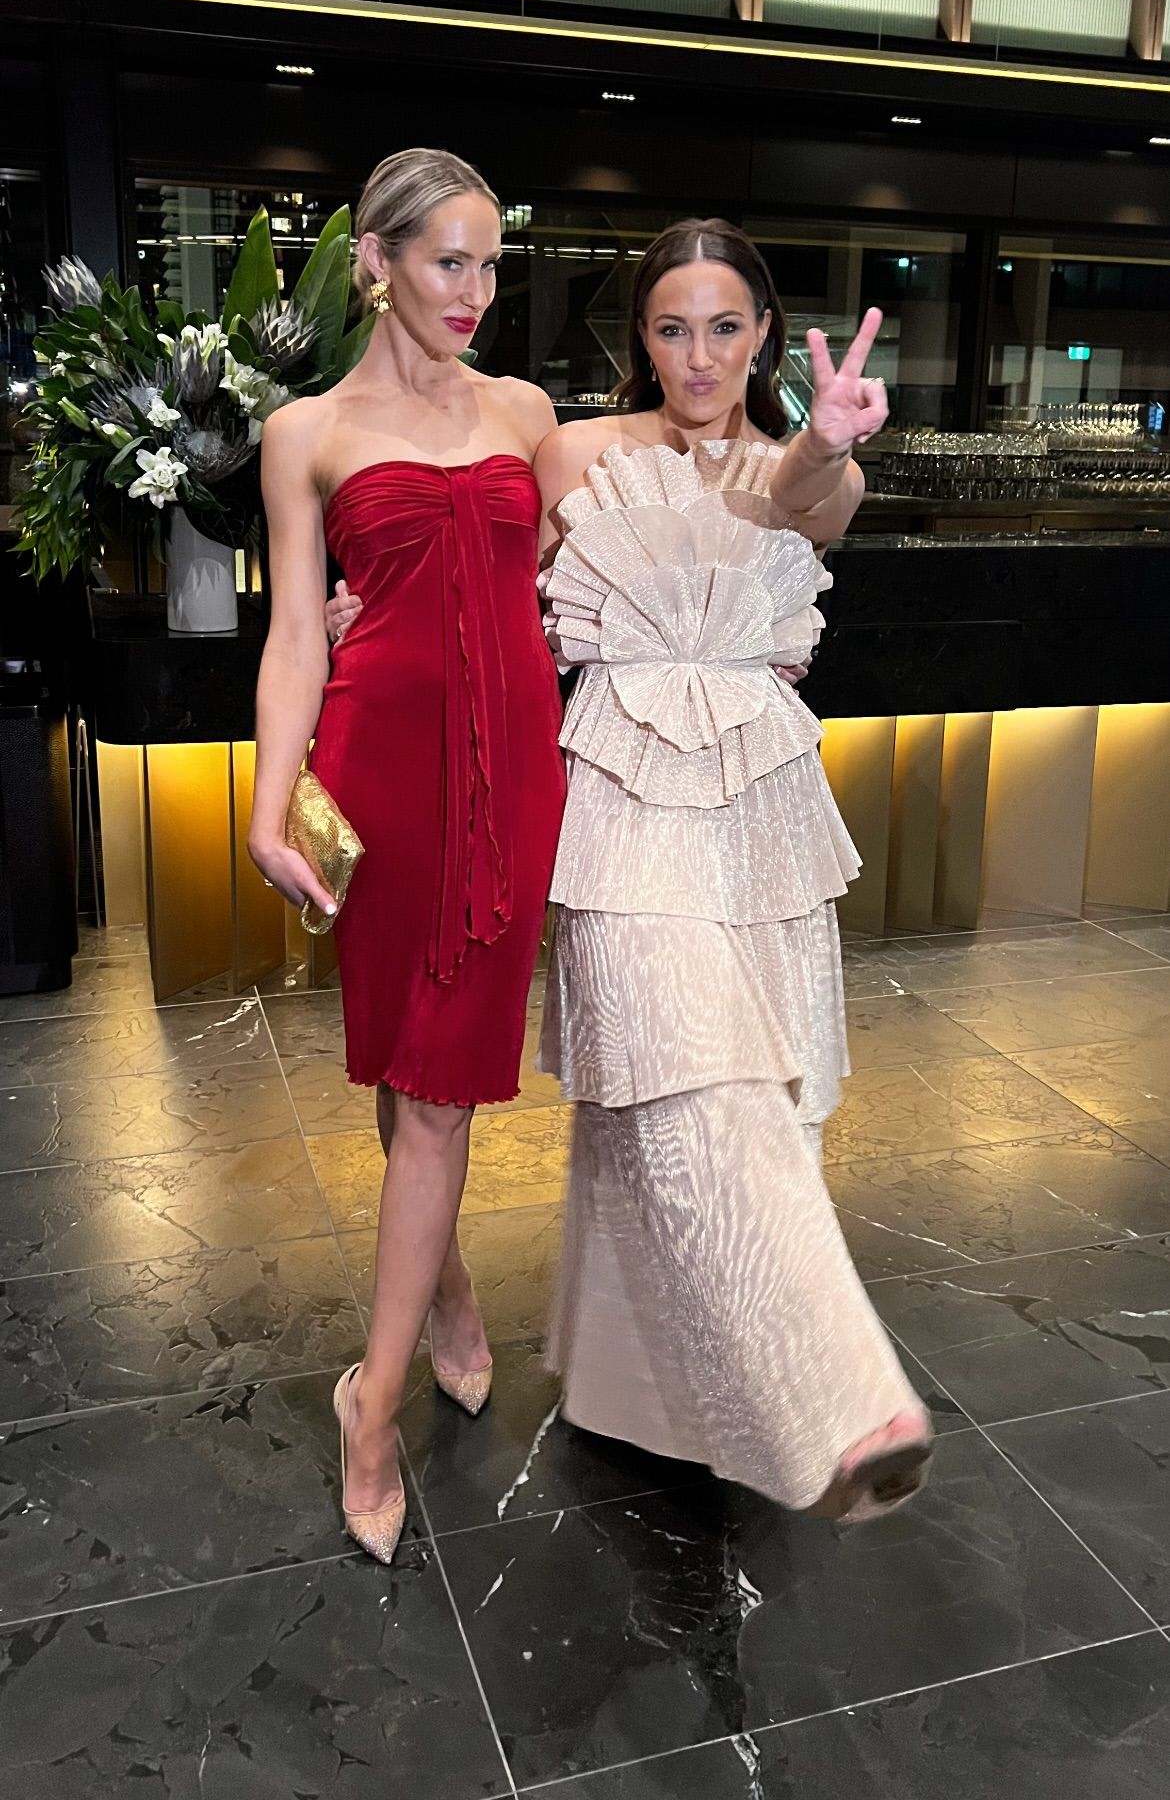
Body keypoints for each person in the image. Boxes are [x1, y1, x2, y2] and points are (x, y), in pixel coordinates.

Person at [327, 214, 933, 1522]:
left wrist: (826, 439)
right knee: (690, 1075)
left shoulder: (802, 467)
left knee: (748, 1089)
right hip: (612, 802)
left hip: (761, 811)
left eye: (724, 328)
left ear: (763, 334)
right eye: (671, 328)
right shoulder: (577, 449)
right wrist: (371, 612)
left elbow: (806, 500)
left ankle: (646, 1394)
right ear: (640, 340)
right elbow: (485, 570)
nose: (698, 356)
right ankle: (839, 1395)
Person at [249, 149, 565, 1565]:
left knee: (438, 1086)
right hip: (380, 771)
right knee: (410, 1070)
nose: (474, 290)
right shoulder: (305, 430)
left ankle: (376, 1391)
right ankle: (412, 1342)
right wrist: (271, 802)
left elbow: (594, 553)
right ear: (374, 262)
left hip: (514, 776)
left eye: (490, 263)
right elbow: (295, 636)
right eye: (449, 260)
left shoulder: (524, 411)